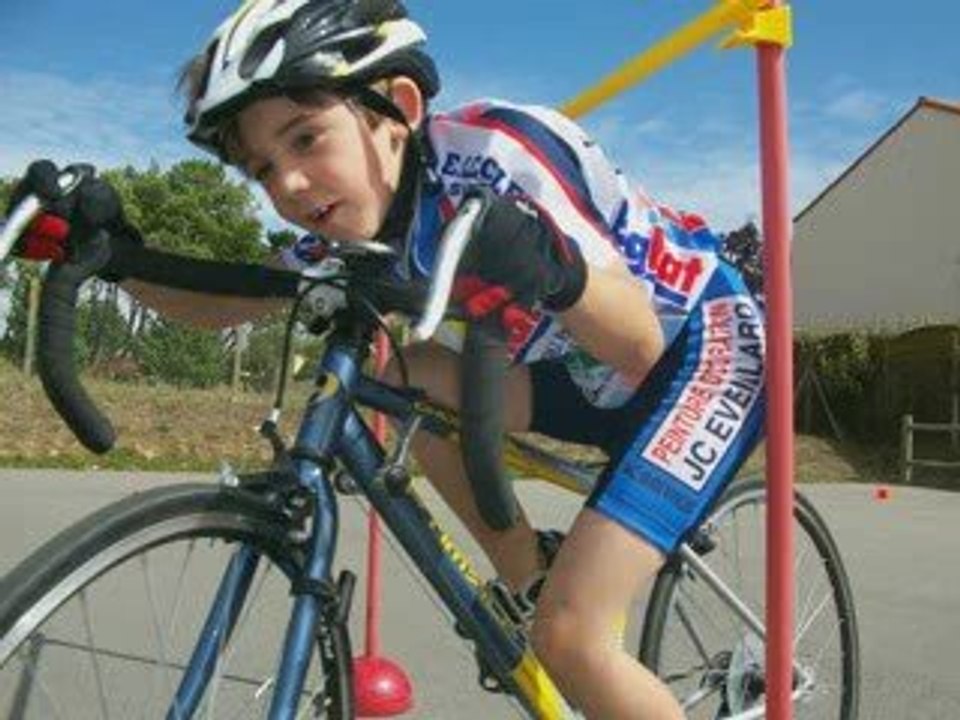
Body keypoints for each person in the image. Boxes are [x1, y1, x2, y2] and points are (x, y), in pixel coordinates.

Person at [9, 1, 766, 717]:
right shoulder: (353, 226)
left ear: (399, 108)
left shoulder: (501, 154)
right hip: (579, 375)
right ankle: (525, 572)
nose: (290, 185)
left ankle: (558, 622)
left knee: (571, 637)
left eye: (305, 139)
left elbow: (638, 343)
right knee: (401, 374)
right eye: (263, 170)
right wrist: (115, 256)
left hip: (697, 349)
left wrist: (551, 264)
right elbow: (235, 299)